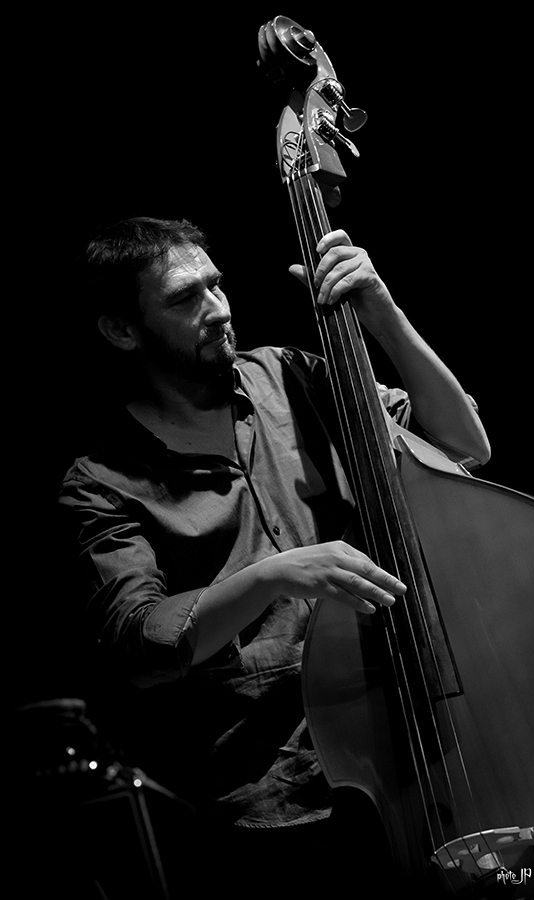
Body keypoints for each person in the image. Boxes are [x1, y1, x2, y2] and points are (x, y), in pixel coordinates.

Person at [58, 216, 490, 895]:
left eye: (216, 285)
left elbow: (462, 444)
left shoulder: (294, 376)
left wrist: (383, 313)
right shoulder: (101, 481)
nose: (217, 308)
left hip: (417, 738)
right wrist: (272, 576)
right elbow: (139, 645)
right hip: (277, 801)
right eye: (184, 298)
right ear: (121, 330)